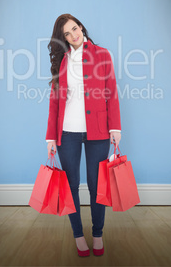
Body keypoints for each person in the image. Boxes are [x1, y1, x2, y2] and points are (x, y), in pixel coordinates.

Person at [45, 14, 121, 257]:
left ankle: (97, 233)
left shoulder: (102, 54)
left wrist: (115, 127)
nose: (73, 36)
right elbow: (54, 102)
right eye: (66, 34)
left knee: (97, 184)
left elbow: (111, 92)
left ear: (81, 27)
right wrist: (50, 138)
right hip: (66, 133)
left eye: (74, 29)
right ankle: (78, 235)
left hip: (98, 131)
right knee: (71, 186)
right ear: (62, 38)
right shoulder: (62, 60)